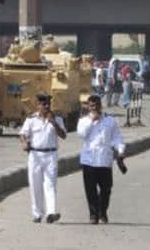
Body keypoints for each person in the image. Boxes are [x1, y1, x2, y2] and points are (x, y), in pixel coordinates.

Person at [19, 93, 67, 224]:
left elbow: (63, 135)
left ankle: (51, 212)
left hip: (51, 154)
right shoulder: (31, 119)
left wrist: (54, 123)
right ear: (38, 105)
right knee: (35, 185)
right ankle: (37, 213)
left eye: (48, 104)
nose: (46, 106)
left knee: (50, 184)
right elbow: (23, 134)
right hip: (35, 155)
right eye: (43, 104)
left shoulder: (57, 119)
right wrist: (24, 143)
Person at [77, 95, 125, 224]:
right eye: (92, 106)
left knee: (106, 189)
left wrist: (120, 151)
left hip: (104, 159)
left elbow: (117, 138)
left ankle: (102, 211)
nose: (95, 108)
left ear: (101, 105)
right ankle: (93, 214)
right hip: (89, 160)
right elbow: (81, 134)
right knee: (90, 189)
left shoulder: (110, 120)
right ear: (88, 107)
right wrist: (91, 121)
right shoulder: (83, 121)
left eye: (97, 105)